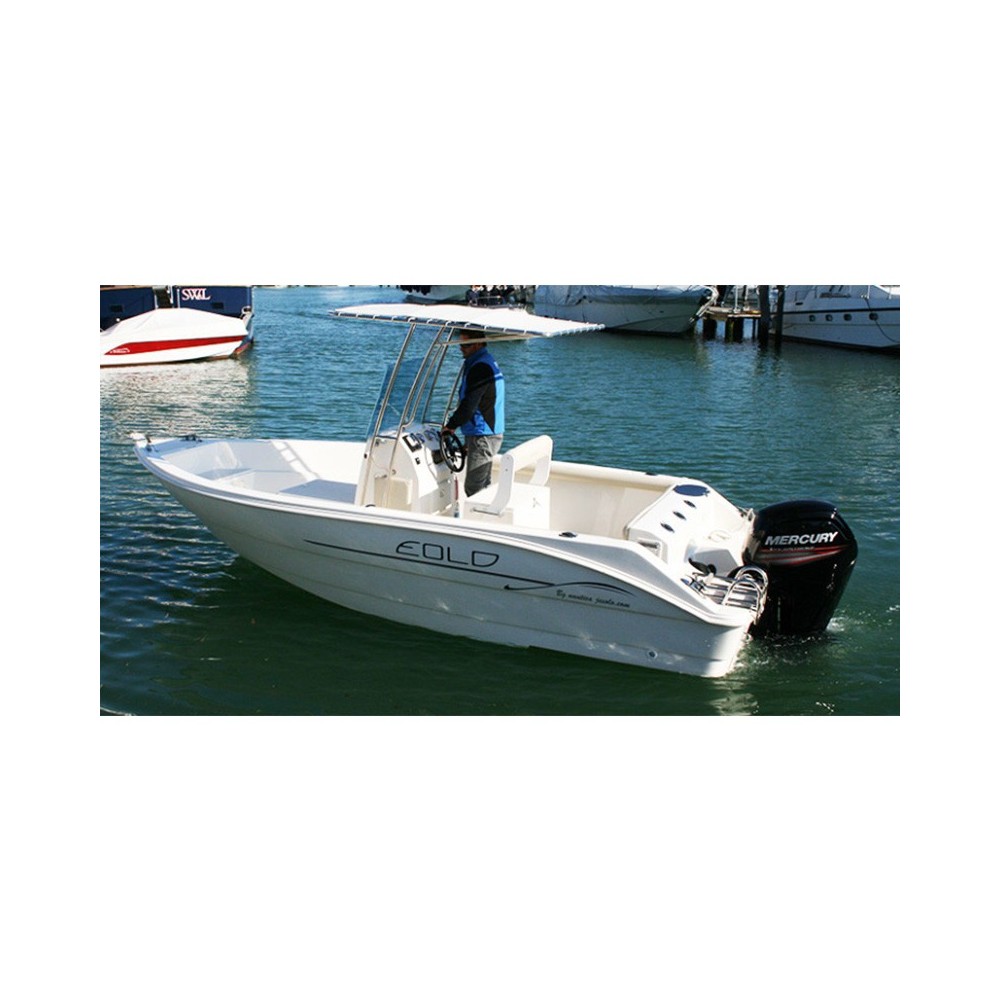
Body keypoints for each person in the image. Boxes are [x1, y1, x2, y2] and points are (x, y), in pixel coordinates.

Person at [443, 329, 505, 496]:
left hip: (483, 435)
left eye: (465, 345)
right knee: (483, 485)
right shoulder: (485, 361)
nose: (461, 348)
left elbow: (469, 405)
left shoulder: (480, 368)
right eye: (460, 344)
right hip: (484, 433)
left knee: (474, 489)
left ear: (477, 343)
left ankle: (479, 513)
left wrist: (450, 427)